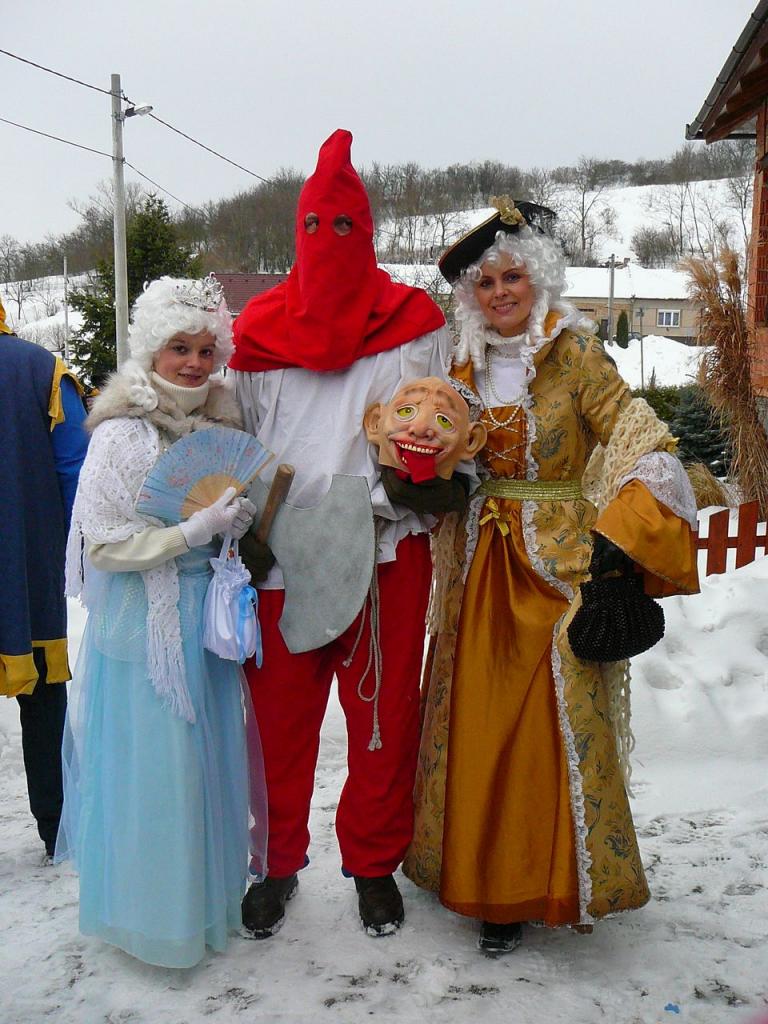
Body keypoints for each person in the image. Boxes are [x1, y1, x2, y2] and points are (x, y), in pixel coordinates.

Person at [402, 198, 700, 953]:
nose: (500, 292)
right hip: (476, 569)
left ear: (538, 280)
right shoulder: (456, 366)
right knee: (479, 721)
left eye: (512, 277)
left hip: (560, 567)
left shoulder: (577, 356)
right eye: (485, 282)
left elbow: (644, 440)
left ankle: (550, 877)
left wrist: (622, 538)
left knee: (551, 725)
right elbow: (427, 442)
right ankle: (488, 888)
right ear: (470, 295)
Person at [230, 129, 472, 939]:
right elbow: (241, 442)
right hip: (283, 557)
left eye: (343, 226)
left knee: (382, 720)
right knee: (277, 724)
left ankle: (373, 864)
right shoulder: (257, 333)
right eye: (314, 226)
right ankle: (276, 864)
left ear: (366, 232)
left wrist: (429, 482)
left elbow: (434, 420)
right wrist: (241, 528)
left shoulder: (414, 323)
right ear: (295, 230)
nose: (327, 240)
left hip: (383, 550)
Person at [56, 276, 266, 968]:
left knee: (203, 773)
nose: (195, 364)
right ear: (152, 349)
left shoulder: (222, 425)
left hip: (203, 629)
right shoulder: (122, 433)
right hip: (144, 630)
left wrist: (229, 526)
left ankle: (201, 906)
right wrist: (187, 533)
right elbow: (103, 545)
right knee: (155, 775)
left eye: (206, 350)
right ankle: (151, 919)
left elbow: (222, 516)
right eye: (180, 348)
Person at [1, 298, 88, 862]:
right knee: (41, 693)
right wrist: (74, 554)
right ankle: (58, 826)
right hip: (24, 562)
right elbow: (76, 470)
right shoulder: (41, 369)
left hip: (26, 558)